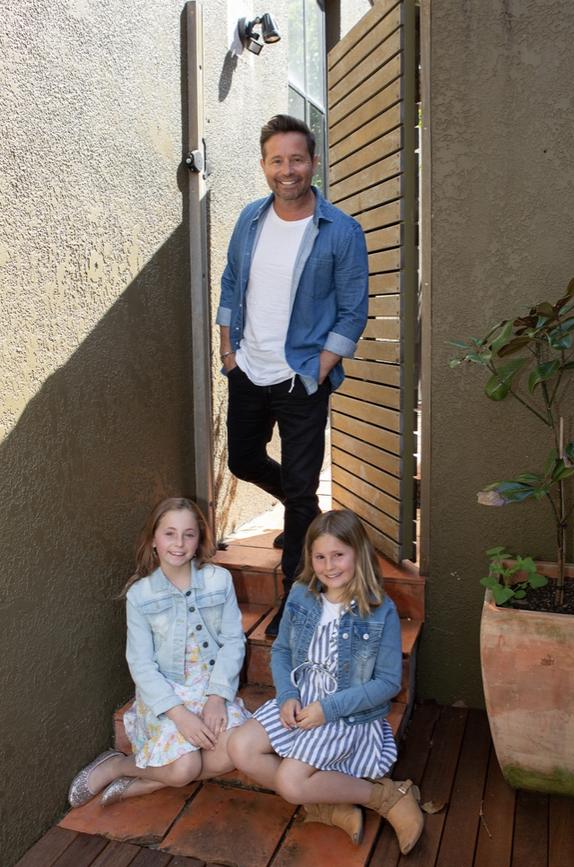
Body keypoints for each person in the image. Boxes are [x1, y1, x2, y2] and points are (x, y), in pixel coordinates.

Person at [217, 114, 369, 636]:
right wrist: (227, 353)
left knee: (301, 489)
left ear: (314, 163)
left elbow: (353, 310)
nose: (288, 170)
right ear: (264, 166)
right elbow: (232, 280)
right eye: (277, 160)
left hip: (303, 378)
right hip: (248, 371)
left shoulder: (341, 230)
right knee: (243, 459)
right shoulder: (249, 220)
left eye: (297, 159)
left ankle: (294, 599)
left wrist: (321, 368)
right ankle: (305, 511)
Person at [227, 509, 424, 855]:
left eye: (338, 555)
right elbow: (283, 651)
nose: (329, 566)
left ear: (358, 554)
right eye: (320, 556)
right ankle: (327, 804)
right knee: (239, 747)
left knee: (290, 781)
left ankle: (386, 796)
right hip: (301, 701)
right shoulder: (302, 596)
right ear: (310, 557)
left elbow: (388, 683)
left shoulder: (380, 610)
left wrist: (327, 709)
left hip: (346, 712)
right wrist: (286, 695)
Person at [68, 497, 249, 807]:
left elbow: (234, 641)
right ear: (153, 538)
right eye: (169, 533)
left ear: (199, 539)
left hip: (211, 685)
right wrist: (180, 715)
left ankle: (145, 784)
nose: (179, 543)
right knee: (185, 767)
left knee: (235, 750)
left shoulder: (220, 581)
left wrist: (217, 697)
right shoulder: (141, 595)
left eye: (189, 534)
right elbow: (140, 664)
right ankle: (117, 765)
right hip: (166, 693)